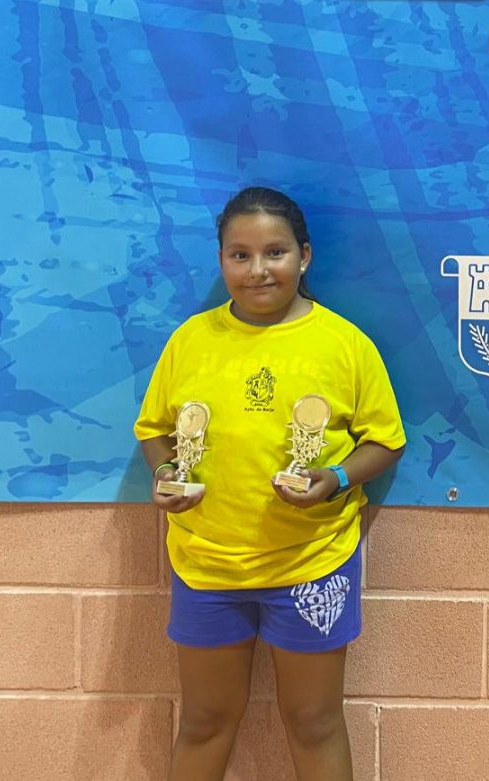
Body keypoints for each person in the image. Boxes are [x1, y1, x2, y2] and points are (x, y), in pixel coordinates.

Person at [135, 186, 405, 780]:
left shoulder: (345, 344)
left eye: (275, 252)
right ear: (222, 259)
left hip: (310, 564)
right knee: (204, 721)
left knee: (313, 722)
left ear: (304, 257)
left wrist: (334, 479)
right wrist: (165, 473)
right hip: (208, 565)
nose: (257, 270)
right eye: (239, 255)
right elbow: (153, 429)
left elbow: (387, 440)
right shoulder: (190, 340)